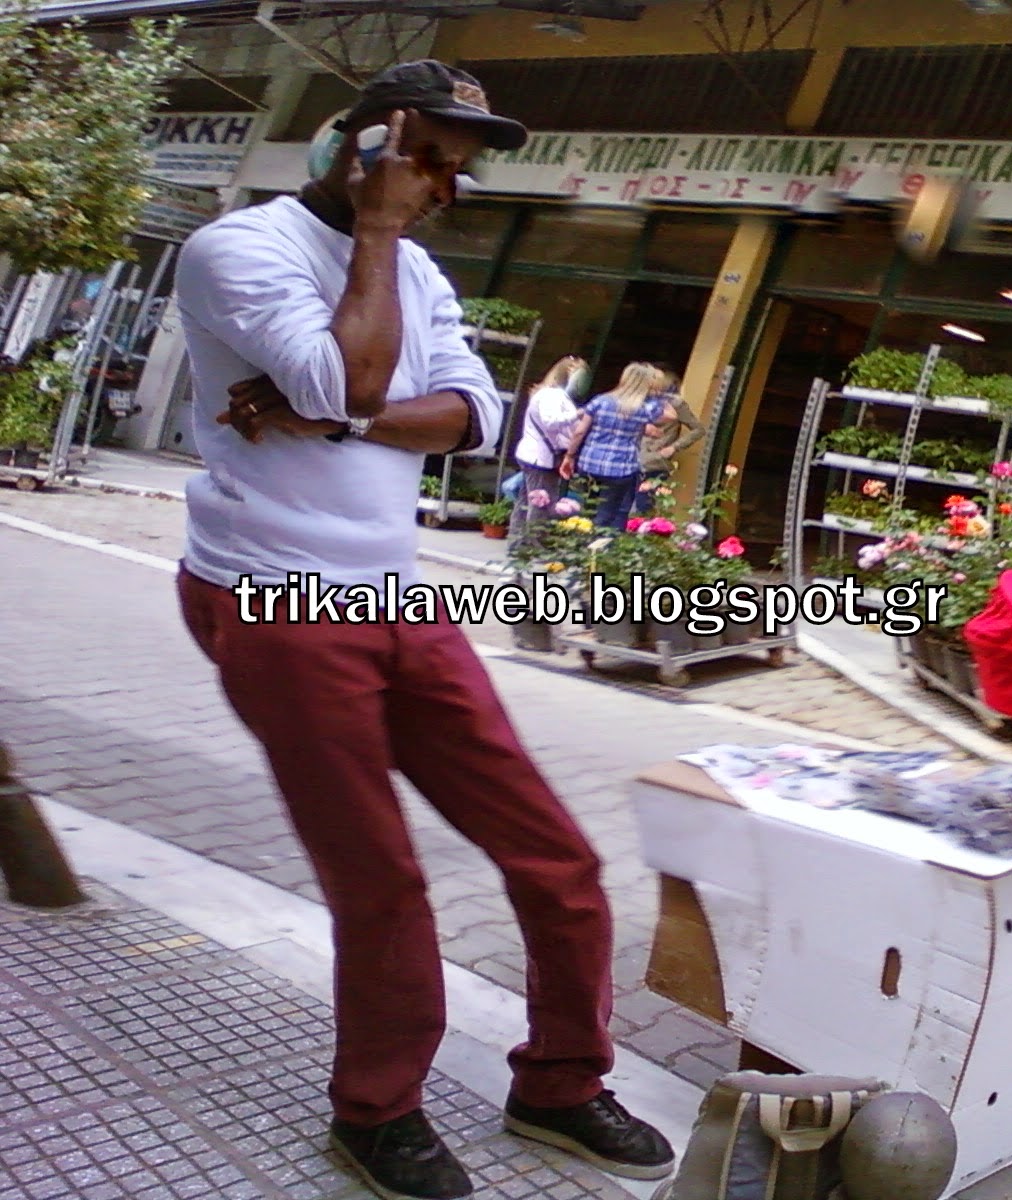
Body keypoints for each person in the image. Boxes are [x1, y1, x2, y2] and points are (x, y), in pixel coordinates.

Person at [168, 60, 673, 1200]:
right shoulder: (236, 251)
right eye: (427, 156)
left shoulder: (428, 275)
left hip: (397, 595)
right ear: (361, 148)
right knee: (383, 882)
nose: (444, 183)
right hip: (272, 594)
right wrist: (375, 246)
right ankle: (376, 1111)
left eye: (456, 163)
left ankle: (558, 1082)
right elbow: (345, 374)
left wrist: (330, 416)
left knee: (560, 856)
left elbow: (470, 417)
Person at [561, 362, 674, 530]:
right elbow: (671, 415)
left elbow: (579, 431)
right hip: (622, 468)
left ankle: (582, 536)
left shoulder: (601, 401)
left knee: (589, 506)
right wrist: (659, 393)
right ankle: (598, 545)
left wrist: (569, 456)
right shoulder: (644, 409)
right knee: (609, 512)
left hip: (590, 463)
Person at [509, 354, 587, 544]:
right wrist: (577, 414)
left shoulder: (552, 394)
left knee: (526, 501)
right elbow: (550, 422)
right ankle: (532, 545)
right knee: (541, 503)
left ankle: (518, 543)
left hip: (536, 455)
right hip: (540, 458)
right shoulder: (551, 395)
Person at [633, 365, 704, 514]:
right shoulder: (637, 400)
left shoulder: (675, 403)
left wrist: (674, 447)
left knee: (642, 507)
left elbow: (698, 429)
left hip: (654, 462)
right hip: (629, 459)